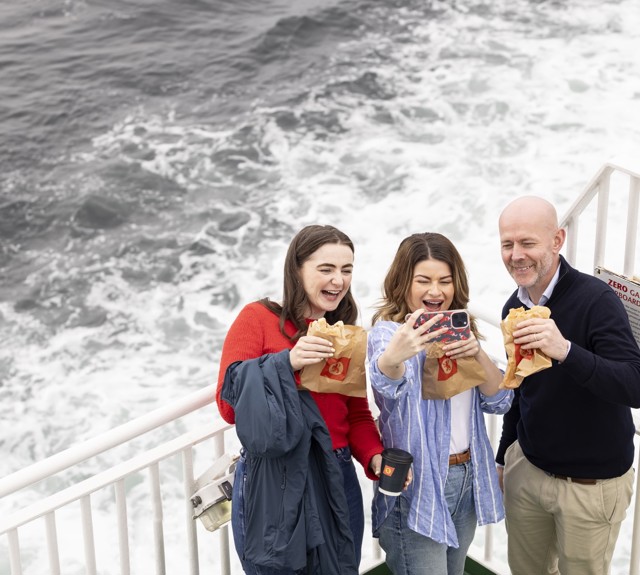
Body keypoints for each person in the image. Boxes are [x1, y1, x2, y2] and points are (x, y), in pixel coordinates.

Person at [216, 224, 384, 575]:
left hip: (336, 473)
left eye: (346, 270)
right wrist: (288, 363)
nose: (338, 280)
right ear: (297, 269)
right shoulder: (257, 318)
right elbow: (229, 407)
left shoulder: (345, 332)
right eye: (326, 269)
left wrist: (374, 457)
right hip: (274, 478)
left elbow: (355, 415)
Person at [495, 195, 640, 575]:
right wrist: (502, 456)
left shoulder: (597, 300)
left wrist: (565, 350)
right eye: (507, 244)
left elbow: (635, 385)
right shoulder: (514, 305)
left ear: (557, 241)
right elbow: (520, 390)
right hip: (528, 470)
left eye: (527, 243)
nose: (516, 255)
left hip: (590, 486)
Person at [367, 232, 512, 575]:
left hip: (467, 475)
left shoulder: (462, 333)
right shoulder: (389, 334)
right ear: (403, 283)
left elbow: (502, 400)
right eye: (424, 281)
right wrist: (394, 357)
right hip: (417, 484)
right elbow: (386, 382)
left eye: (445, 281)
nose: (436, 291)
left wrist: (476, 352)